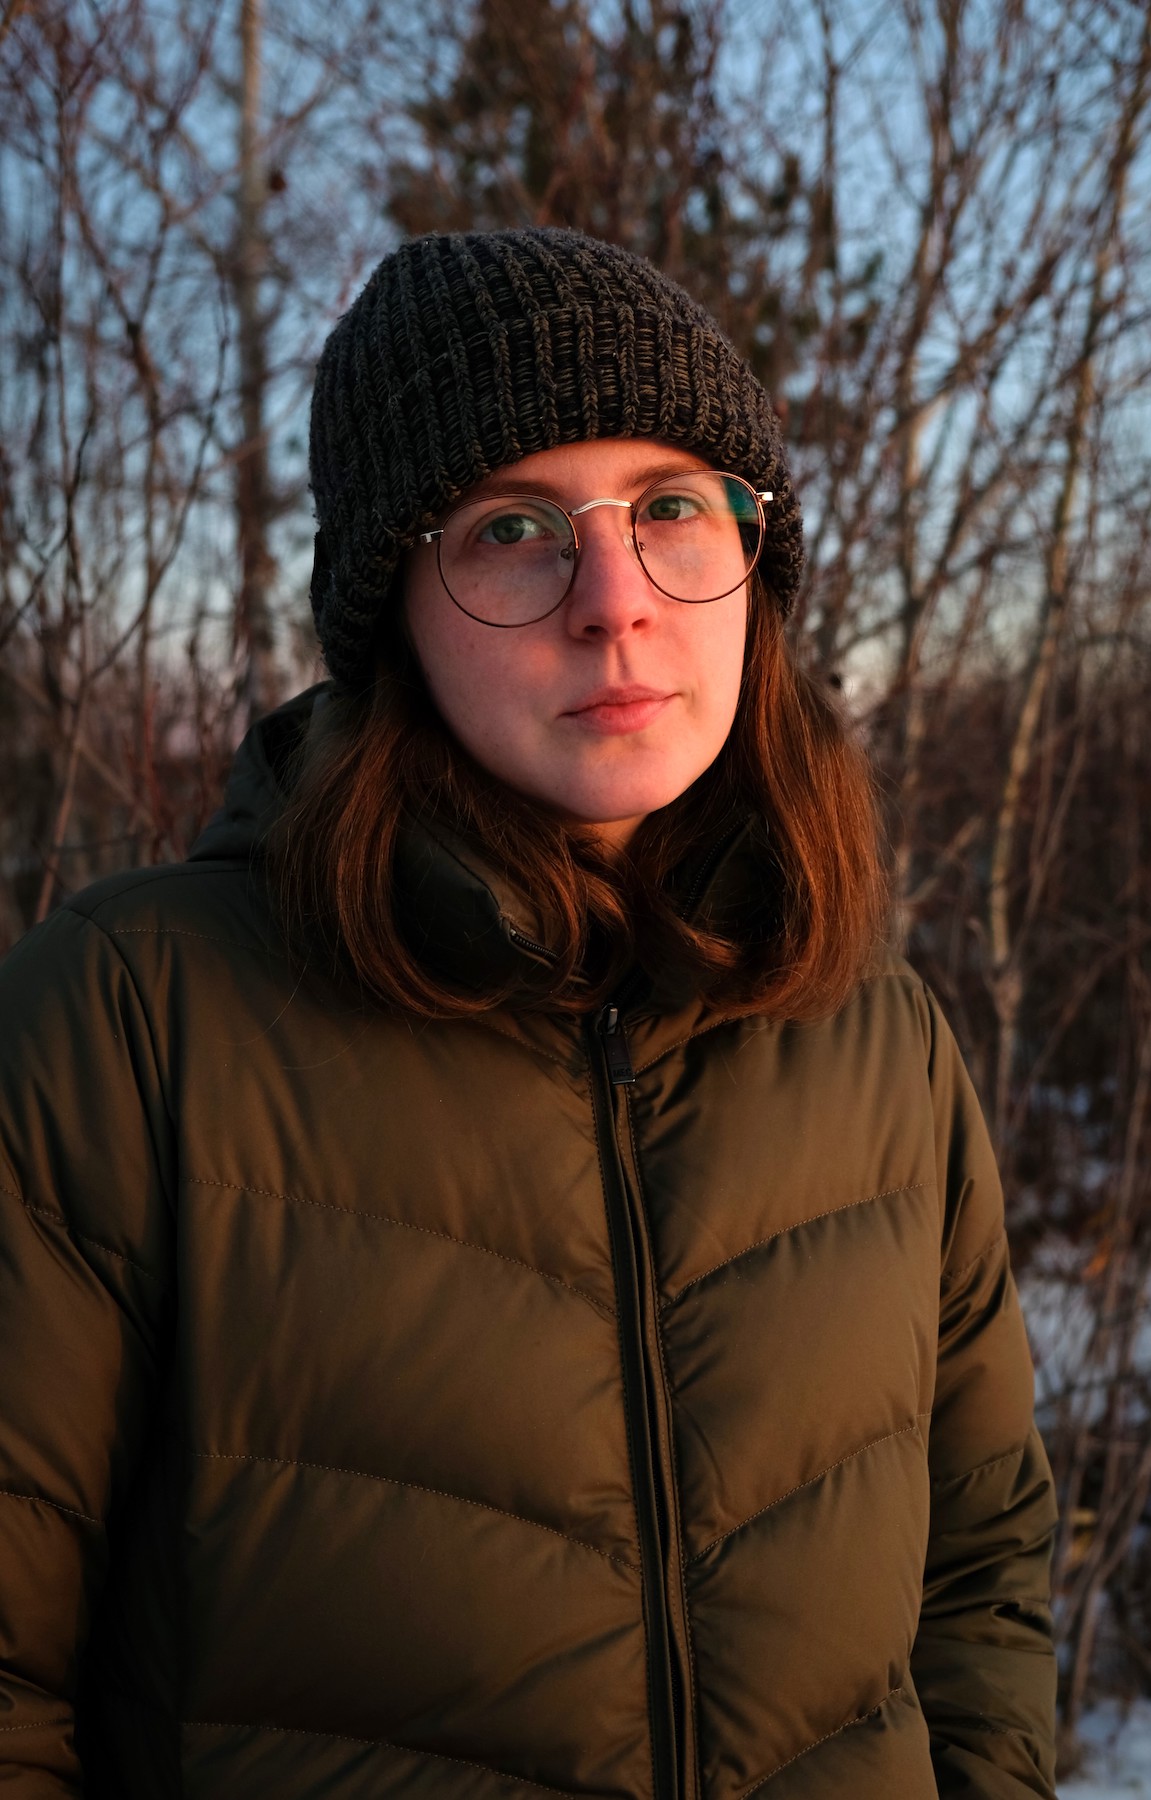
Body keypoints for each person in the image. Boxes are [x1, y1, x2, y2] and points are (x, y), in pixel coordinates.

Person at [0, 229, 1057, 1798]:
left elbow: (981, 1580)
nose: (613, 602)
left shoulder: (878, 1042)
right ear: (391, 611)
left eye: (675, 508)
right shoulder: (137, 1021)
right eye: (513, 528)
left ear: (756, 564)